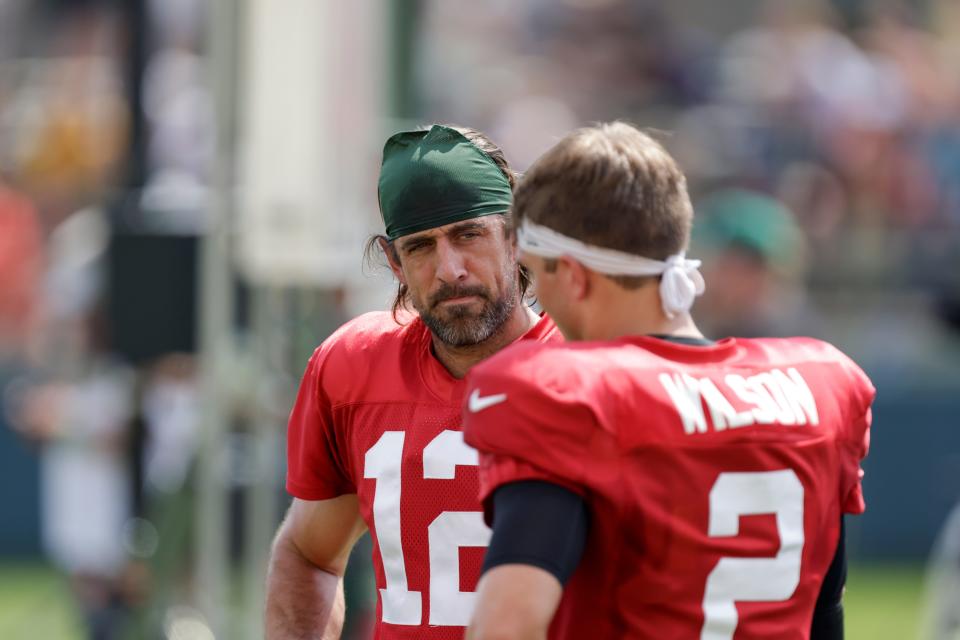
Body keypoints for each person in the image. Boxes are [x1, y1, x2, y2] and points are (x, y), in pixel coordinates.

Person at [462, 122, 874, 640]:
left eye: (538, 275)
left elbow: (508, 624)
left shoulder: (571, 397)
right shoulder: (817, 388)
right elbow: (825, 614)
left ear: (573, 275)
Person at [265, 124, 561, 639]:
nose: (449, 269)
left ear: (516, 237)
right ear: (394, 261)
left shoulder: (593, 373)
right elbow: (308, 553)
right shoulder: (354, 368)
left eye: (469, 234)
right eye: (422, 246)